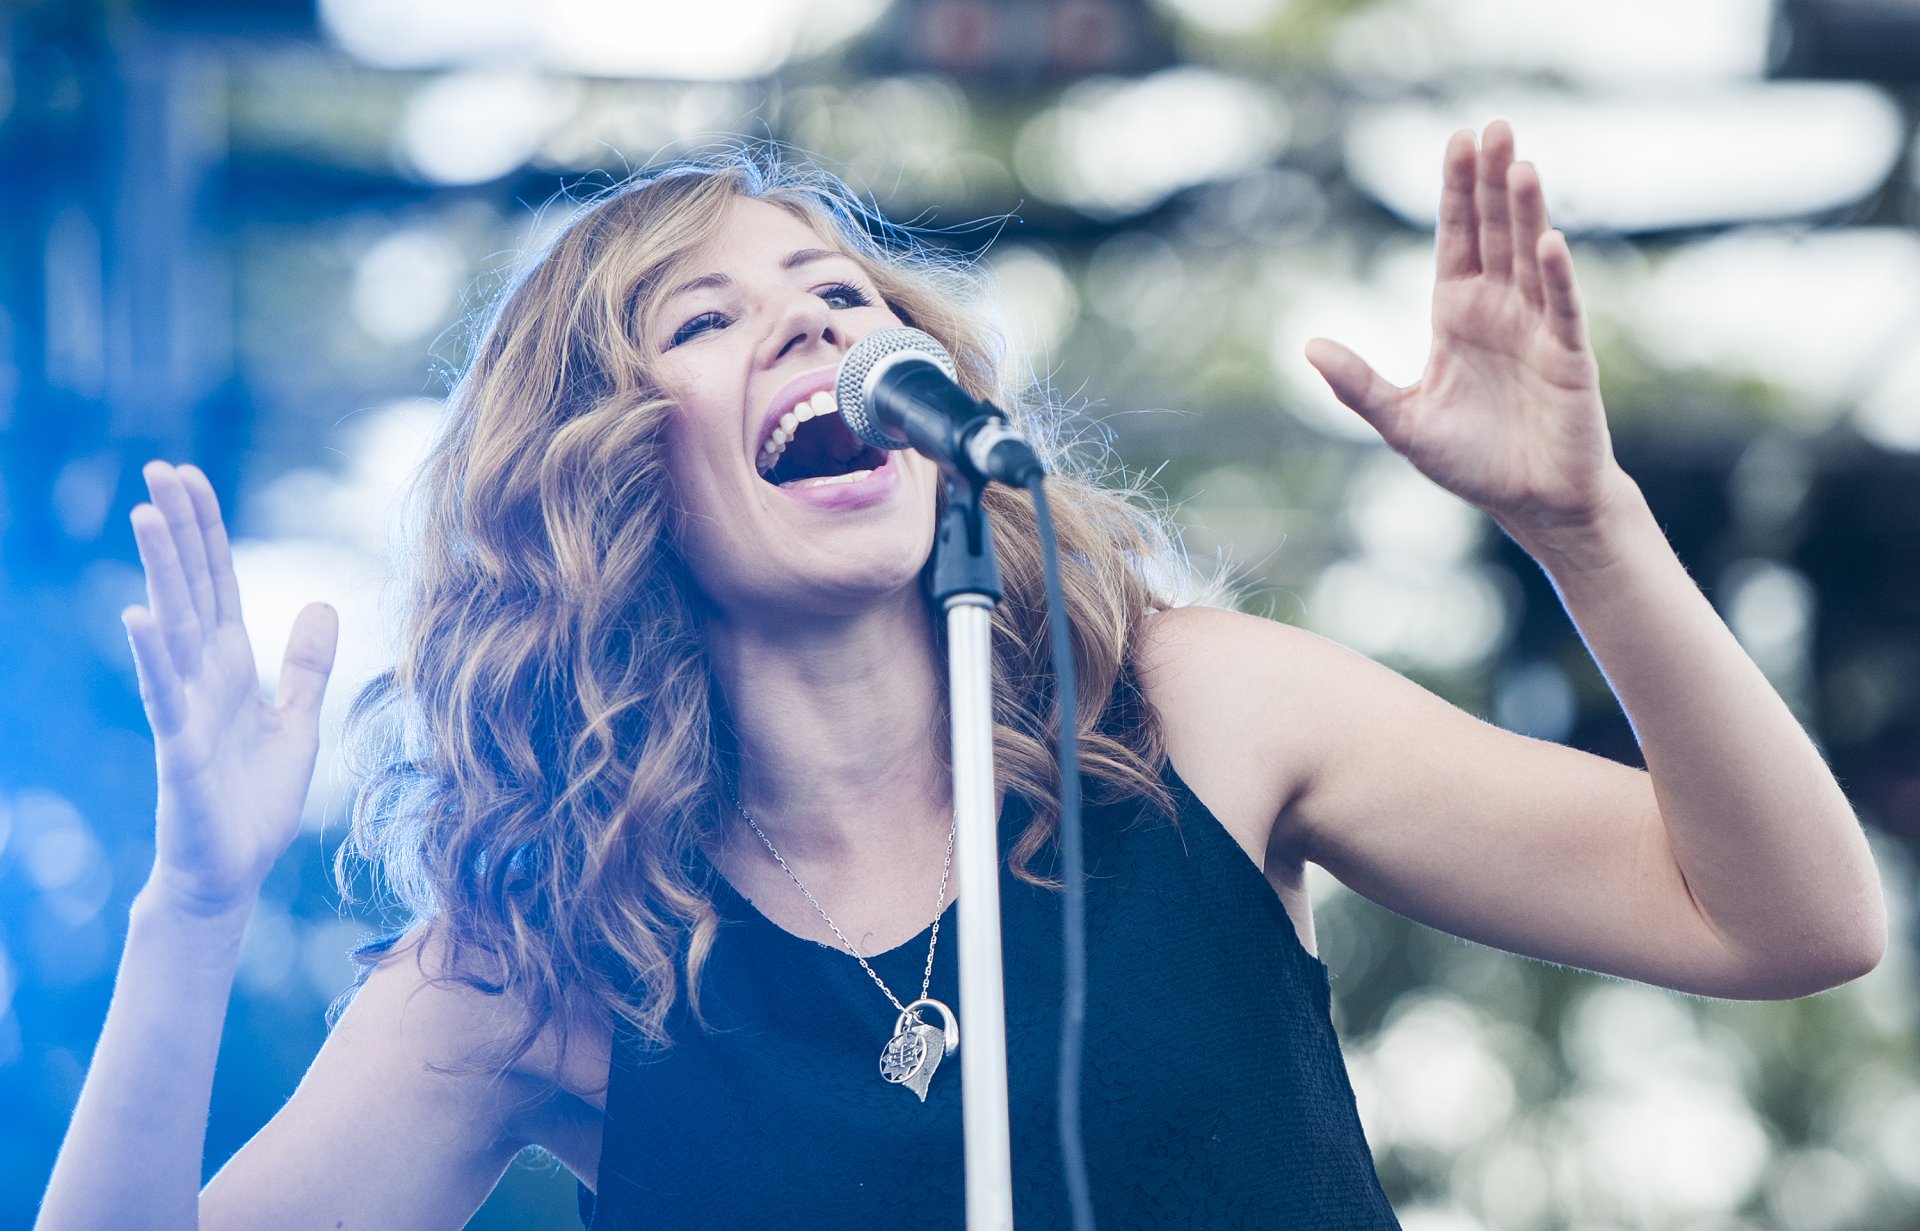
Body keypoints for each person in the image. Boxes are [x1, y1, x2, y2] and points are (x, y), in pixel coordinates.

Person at [36, 123, 1887, 1230]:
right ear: (607, 469)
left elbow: (1789, 921)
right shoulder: (550, 963)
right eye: (709, 318)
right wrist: (193, 907)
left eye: (841, 295)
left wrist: (1587, 529)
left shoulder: (1201, 719)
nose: (817, 327)